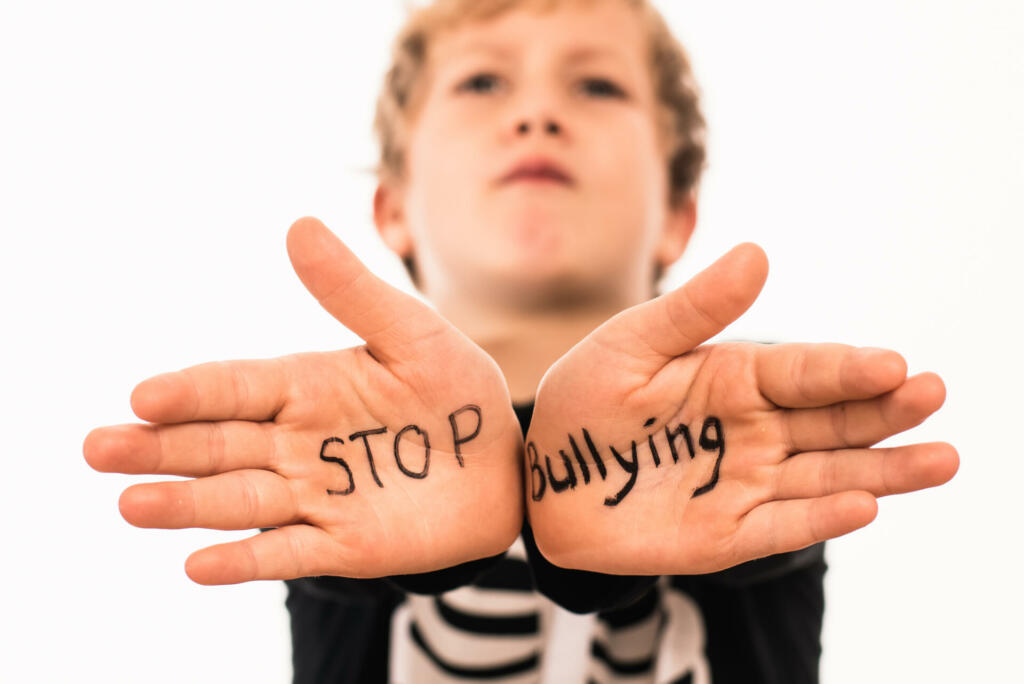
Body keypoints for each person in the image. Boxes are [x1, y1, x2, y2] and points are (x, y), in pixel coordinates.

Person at [83, 0, 959, 682]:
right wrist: (441, 540)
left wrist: (588, 548)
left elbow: (756, 534)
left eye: (597, 86)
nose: (538, 113)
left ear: (677, 213)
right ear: (393, 205)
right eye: (483, 84)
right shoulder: (337, 448)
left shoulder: (740, 430)